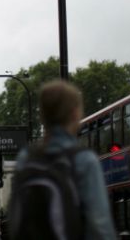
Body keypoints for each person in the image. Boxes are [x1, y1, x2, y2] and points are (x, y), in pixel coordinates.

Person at [11, 79, 117, 240]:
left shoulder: (25, 157)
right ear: (75, 113)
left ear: (42, 115)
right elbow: (99, 225)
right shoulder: (84, 160)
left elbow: (15, 218)